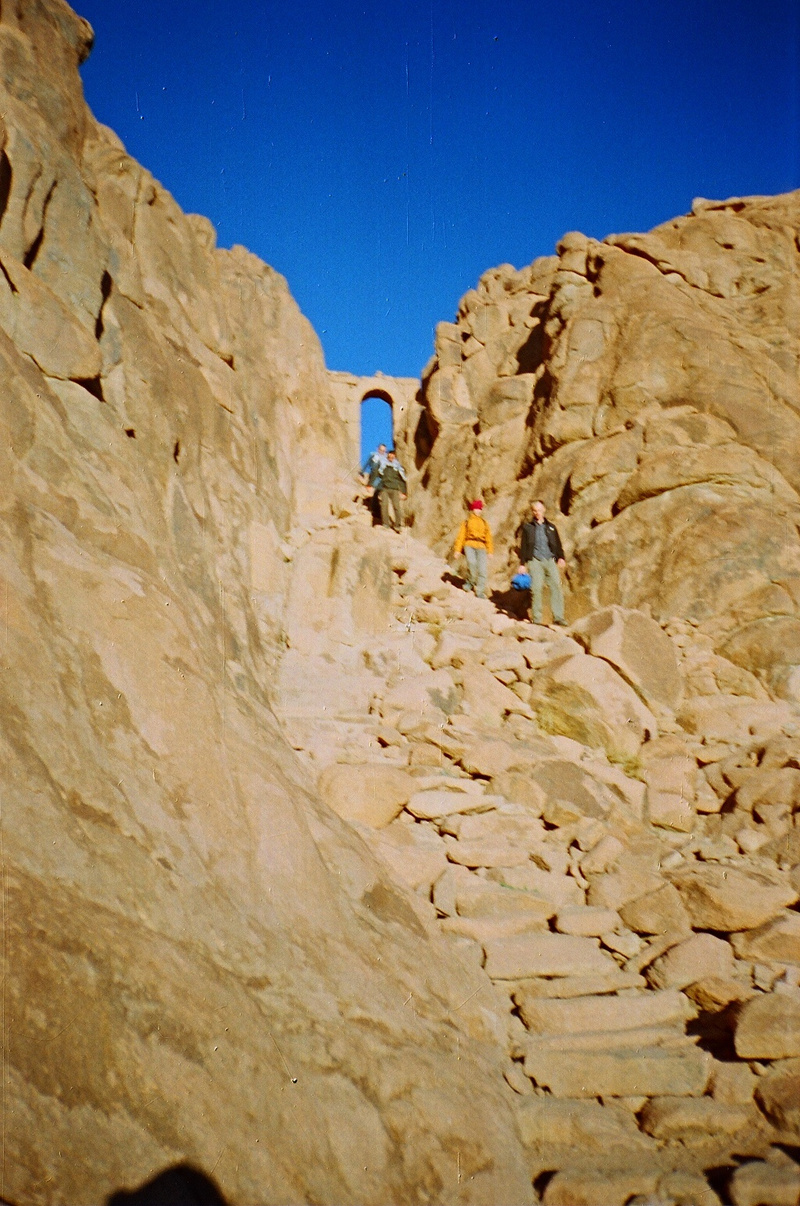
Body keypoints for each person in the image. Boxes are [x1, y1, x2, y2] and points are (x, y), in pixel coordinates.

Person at [518, 500, 567, 626]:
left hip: (550, 560)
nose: (537, 513)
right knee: (536, 588)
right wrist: (522, 564)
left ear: (544, 510)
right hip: (535, 560)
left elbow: (558, 544)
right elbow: (523, 547)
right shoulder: (528, 528)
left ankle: (558, 617)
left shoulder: (551, 527)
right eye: (535, 510)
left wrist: (561, 557)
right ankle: (537, 619)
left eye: (539, 510)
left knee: (556, 586)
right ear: (532, 512)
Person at [453, 499, 493, 598]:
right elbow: (461, 537)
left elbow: (488, 538)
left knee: (482, 570)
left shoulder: (484, 523)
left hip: (481, 547)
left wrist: (490, 551)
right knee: (472, 564)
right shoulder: (467, 522)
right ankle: (470, 582)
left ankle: (480, 591)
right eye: (476, 508)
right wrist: (457, 550)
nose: (478, 511)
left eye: (480, 509)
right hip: (469, 545)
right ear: (472, 509)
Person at [375, 449, 407, 531]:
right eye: (390, 455)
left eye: (393, 455)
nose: (391, 457)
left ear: (395, 456)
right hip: (384, 488)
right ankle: (385, 524)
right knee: (384, 506)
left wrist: (404, 492)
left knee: (396, 507)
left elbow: (402, 480)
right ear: (387, 456)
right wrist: (375, 487)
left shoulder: (398, 467)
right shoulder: (382, 465)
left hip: (395, 489)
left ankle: (397, 525)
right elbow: (378, 476)